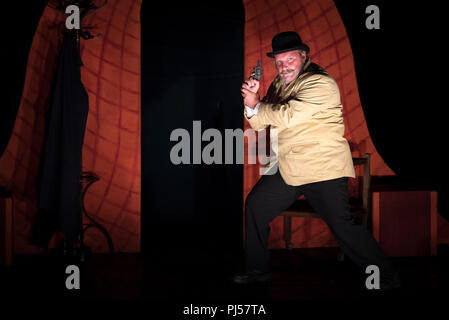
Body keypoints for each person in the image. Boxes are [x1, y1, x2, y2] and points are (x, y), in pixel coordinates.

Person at [232, 31, 401, 291]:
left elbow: (287, 116)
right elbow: (261, 122)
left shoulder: (320, 83)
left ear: (303, 56)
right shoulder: (279, 83)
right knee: (255, 207)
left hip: (322, 168)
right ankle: (257, 270)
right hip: (289, 167)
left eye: (289, 59)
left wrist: (256, 103)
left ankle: (385, 276)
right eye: (279, 61)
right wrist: (250, 103)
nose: (283, 66)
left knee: (342, 225)